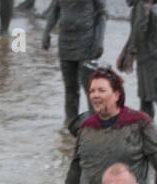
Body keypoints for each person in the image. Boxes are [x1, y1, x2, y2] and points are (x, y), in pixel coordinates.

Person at [41, 0, 108, 129]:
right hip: (65, 41)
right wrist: (46, 32)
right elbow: (55, 9)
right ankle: (70, 124)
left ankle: (96, 125)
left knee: (90, 88)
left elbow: (102, 14)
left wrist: (99, 41)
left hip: (87, 41)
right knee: (70, 88)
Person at [118, 0, 157, 122]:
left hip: (153, 55)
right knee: (147, 99)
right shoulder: (145, 5)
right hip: (153, 53)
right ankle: (146, 136)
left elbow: (140, 27)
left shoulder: (144, 5)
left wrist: (130, 52)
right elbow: (138, 27)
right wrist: (126, 50)